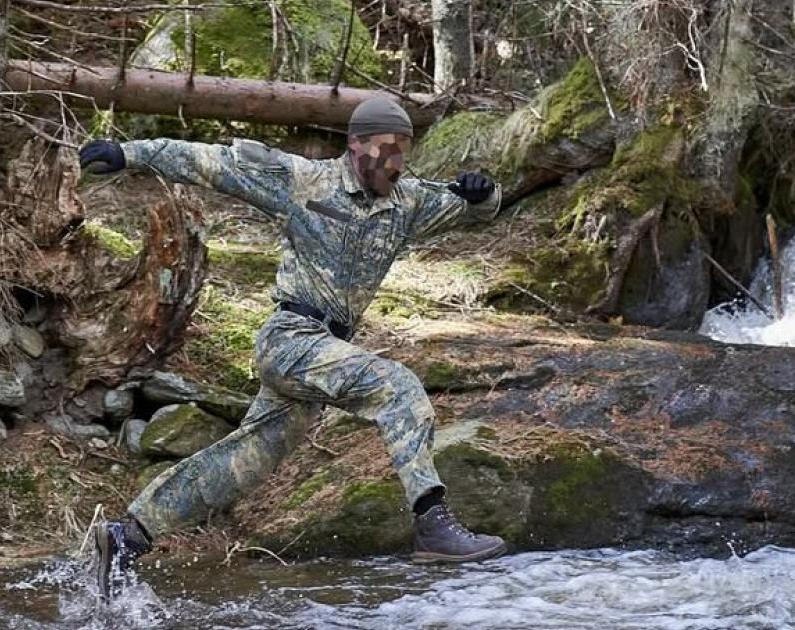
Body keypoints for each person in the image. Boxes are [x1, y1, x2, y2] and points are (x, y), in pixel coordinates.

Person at [78, 97, 505, 595]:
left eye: (404, 151)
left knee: (244, 463)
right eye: (386, 149)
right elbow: (210, 162)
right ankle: (432, 521)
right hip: (291, 340)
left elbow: (476, 209)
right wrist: (129, 153)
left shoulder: (406, 200)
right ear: (355, 144)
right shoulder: (303, 180)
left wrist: (484, 192)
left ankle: (127, 536)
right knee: (397, 386)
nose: (395, 162)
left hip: (326, 354)